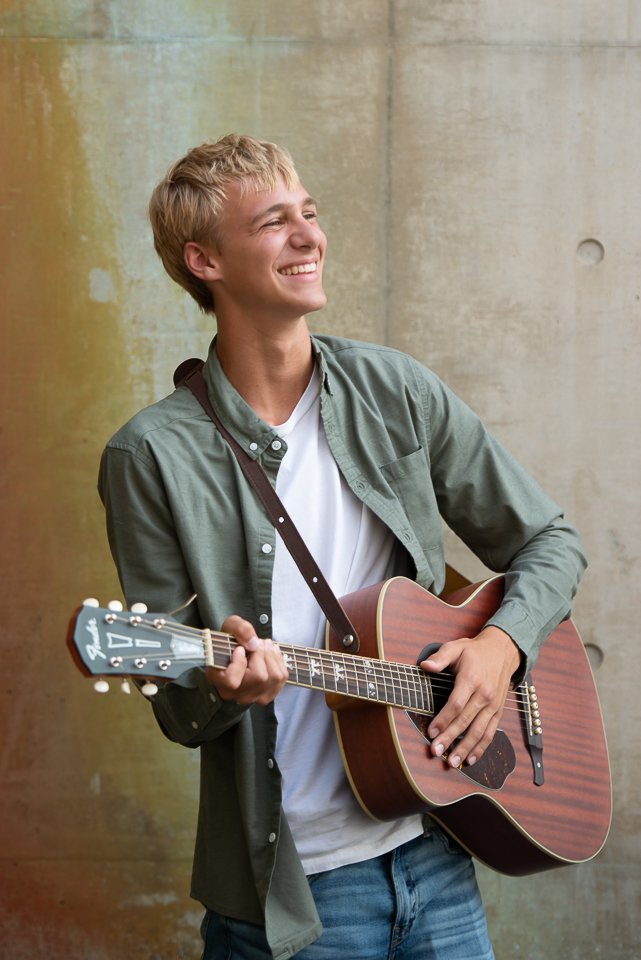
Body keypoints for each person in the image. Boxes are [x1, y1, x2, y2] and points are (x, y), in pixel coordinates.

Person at [98, 134, 586, 960]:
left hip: (437, 849)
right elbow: (178, 711)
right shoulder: (149, 456)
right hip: (294, 901)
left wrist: (500, 647)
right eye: (274, 222)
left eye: (310, 215)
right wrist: (226, 688)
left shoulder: (394, 390)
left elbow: (549, 541)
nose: (309, 237)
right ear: (203, 261)